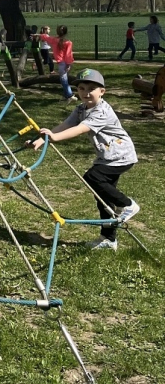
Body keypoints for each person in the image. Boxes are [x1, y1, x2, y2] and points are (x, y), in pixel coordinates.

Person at [31, 68, 139, 251]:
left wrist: (55, 138)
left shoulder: (101, 111)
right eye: (81, 88)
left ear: (102, 91)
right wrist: (42, 140)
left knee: (92, 177)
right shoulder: (81, 108)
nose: (86, 93)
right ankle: (108, 239)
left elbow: (81, 129)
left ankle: (127, 205)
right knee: (103, 198)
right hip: (107, 157)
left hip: (121, 156)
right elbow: (66, 124)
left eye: (91, 89)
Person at [42, 25, 75, 100]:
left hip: (61, 63)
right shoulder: (68, 42)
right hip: (66, 63)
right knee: (64, 79)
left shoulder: (54, 40)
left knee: (63, 79)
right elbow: (68, 55)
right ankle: (68, 95)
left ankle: (69, 95)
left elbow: (46, 37)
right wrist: (69, 64)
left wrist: (38, 35)